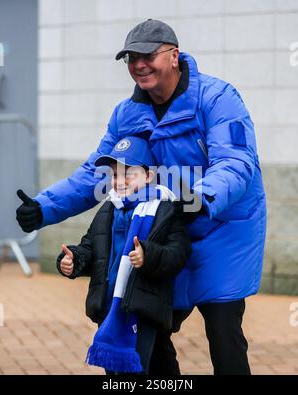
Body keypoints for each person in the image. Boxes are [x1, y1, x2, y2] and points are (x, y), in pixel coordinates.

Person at [16, 19, 267, 375]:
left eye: (148, 55)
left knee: (224, 333)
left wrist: (200, 197)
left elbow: (236, 161)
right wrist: (44, 207)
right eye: (131, 58)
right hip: (161, 232)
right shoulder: (127, 112)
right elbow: (97, 173)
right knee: (150, 323)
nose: (138, 64)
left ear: (174, 56)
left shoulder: (217, 98)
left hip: (221, 229)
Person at [56, 136, 192, 375]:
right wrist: (74, 260)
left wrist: (148, 256)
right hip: (108, 305)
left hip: (141, 308)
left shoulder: (164, 208)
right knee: (114, 369)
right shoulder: (110, 208)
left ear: (148, 176)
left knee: (134, 370)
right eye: (115, 175)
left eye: (128, 173)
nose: (120, 181)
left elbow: (178, 253)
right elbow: (92, 247)